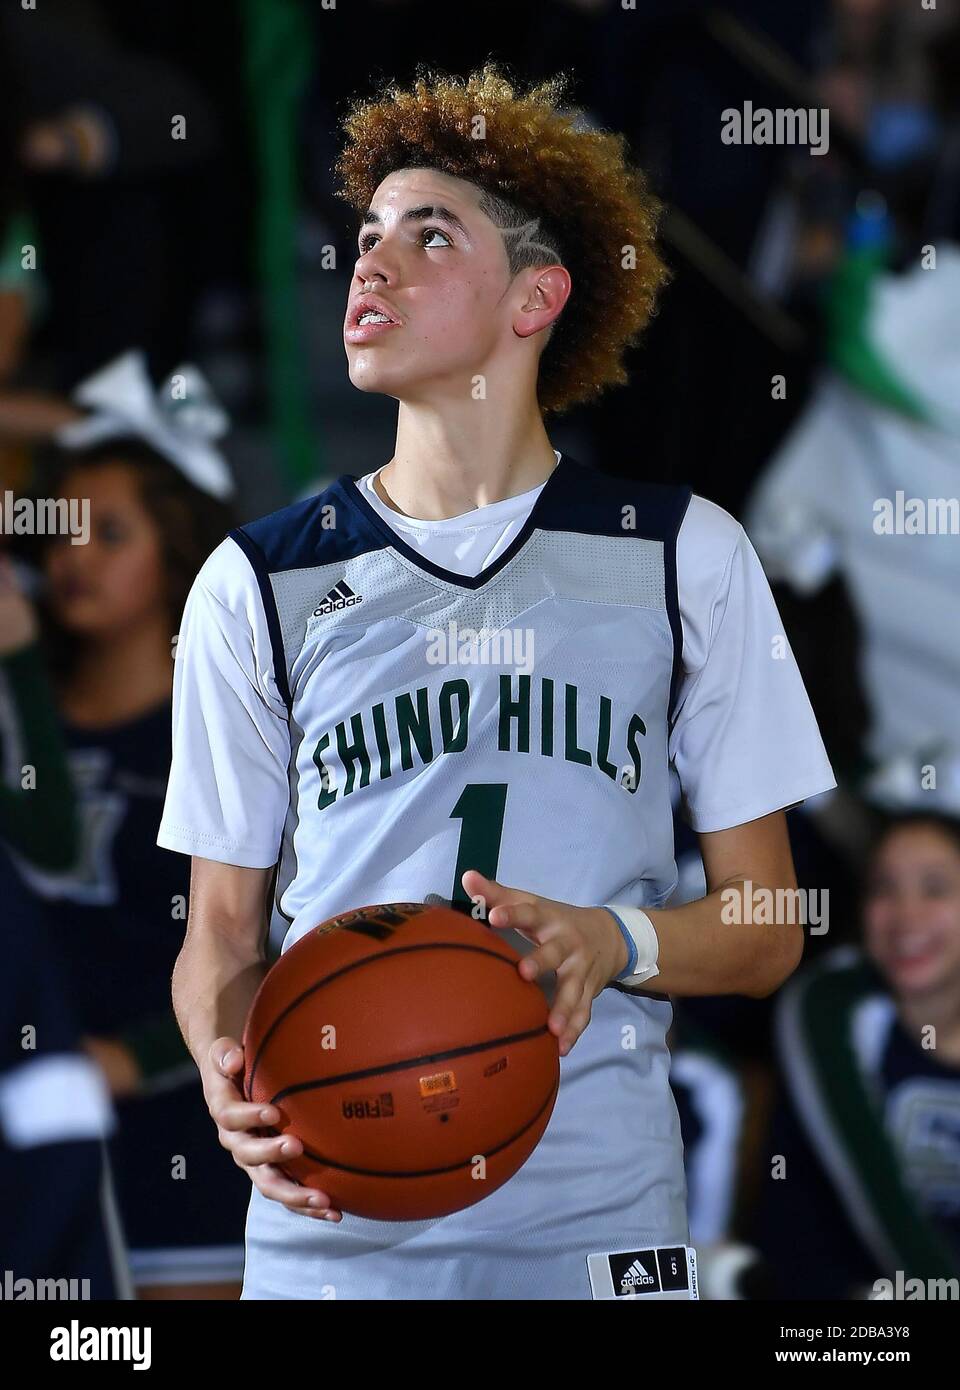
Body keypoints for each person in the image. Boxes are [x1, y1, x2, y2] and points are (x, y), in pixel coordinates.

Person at [160, 65, 835, 1301]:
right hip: (332, 1207)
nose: (371, 266)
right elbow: (221, 933)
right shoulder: (252, 579)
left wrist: (612, 938)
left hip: (593, 1213)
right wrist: (221, 1064)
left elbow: (767, 925)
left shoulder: (684, 553)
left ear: (538, 297)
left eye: (429, 235)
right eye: (365, 238)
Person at [1, 351, 251, 1298]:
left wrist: (135, 1059)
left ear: (179, 549)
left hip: (181, 1134)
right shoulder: (24, 709)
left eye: (112, 535)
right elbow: (46, 844)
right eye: (64, 534)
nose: (75, 557)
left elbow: (271, 943)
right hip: (35, 1131)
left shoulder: (224, 727)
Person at [755, 813, 960, 1299]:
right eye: (883, 889)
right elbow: (877, 1197)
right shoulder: (829, 1003)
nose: (906, 915)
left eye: (934, 889)